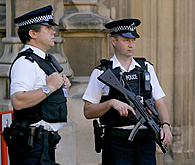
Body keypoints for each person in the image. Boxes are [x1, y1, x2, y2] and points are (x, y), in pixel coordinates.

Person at [82, 18, 172, 165]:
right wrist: (111, 103)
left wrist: (166, 126)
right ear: (113, 41)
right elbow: (88, 111)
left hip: (145, 141)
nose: (131, 45)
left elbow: (159, 101)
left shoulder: (146, 68)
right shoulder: (101, 73)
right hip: (117, 142)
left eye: (133, 40)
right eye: (125, 40)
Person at [7, 5, 71, 165]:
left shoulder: (45, 60)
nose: (53, 32)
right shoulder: (25, 62)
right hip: (31, 146)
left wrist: (61, 87)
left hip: (45, 144)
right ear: (32, 33)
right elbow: (18, 101)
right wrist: (49, 88)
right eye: (47, 28)